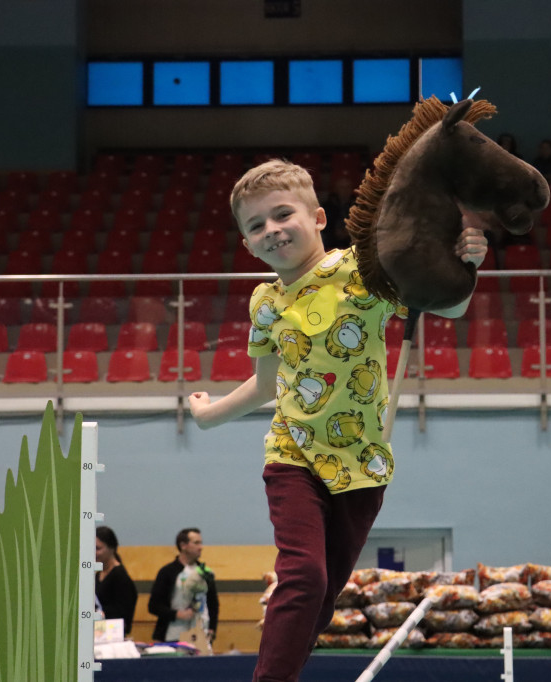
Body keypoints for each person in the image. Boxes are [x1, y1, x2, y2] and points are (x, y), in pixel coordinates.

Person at [187, 160, 486, 681]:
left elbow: (452, 310)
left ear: (320, 217)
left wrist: (467, 265)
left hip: (363, 464)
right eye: (257, 226)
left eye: (283, 214)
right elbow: (264, 384)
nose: (272, 230)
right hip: (293, 455)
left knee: (322, 598)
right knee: (302, 575)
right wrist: (208, 414)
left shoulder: (363, 269)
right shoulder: (266, 302)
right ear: (247, 244)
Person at [147, 528, 219, 643]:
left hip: (199, 634)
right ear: (183, 545)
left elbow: (213, 604)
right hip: (170, 635)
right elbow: (154, 606)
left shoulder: (205, 572)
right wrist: (177, 614)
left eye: (201, 543)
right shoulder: (167, 572)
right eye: (196, 543)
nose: (201, 547)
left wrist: (212, 630)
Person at [94, 526, 137, 635]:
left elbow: (124, 612)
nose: (94, 552)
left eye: (98, 548)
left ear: (111, 548)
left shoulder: (120, 577)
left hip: (112, 634)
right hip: (99, 632)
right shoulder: (98, 575)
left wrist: (99, 613)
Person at [320, 175, 354, 250]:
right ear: (335, 189)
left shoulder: (358, 206)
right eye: (342, 187)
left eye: (347, 187)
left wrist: (348, 232)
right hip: (330, 240)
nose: (345, 190)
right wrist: (335, 232)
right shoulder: (327, 206)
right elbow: (324, 225)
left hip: (351, 240)